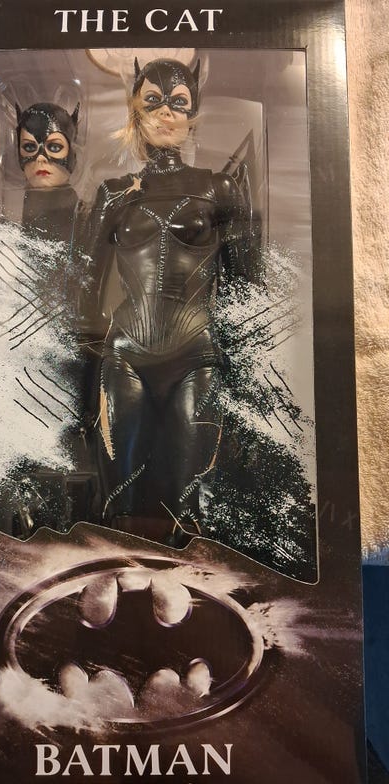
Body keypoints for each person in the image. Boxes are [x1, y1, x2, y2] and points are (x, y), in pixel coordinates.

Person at [88, 58, 250, 545]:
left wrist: (250, 387)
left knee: (188, 509)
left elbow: (247, 292)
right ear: (135, 111)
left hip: (196, 357)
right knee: (120, 508)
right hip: (125, 356)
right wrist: (72, 379)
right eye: (152, 101)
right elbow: (83, 289)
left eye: (178, 102)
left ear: (193, 112)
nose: (165, 113)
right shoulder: (113, 194)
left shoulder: (220, 188)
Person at [16, 101, 80, 243]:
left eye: (54, 147)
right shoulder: (18, 209)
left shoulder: (83, 217)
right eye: (29, 147)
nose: (40, 158)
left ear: (72, 153)